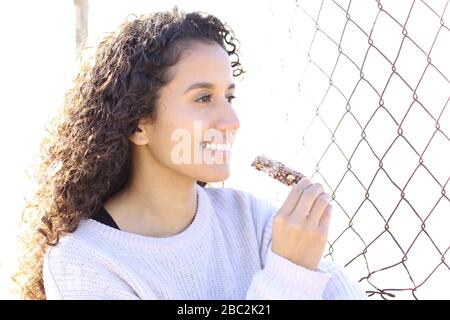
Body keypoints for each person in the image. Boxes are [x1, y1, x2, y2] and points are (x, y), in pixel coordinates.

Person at [14, 7, 366, 300]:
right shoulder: (86, 262)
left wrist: (303, 262)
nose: (231, 121)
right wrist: (288, 273)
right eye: (202, 98)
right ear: (138, 124)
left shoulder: (252, 219)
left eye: (229, 97)